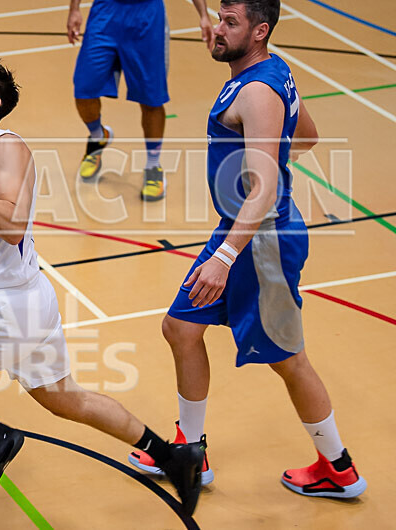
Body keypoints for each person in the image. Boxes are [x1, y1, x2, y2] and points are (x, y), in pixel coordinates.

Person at [0, 55, 205, 514]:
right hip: (27, 304)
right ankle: (173, 456)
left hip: (2, 311)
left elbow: (11, 222)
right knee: (67, 400)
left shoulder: (7, 148)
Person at [127, 0, 367, 499]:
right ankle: (190, 451)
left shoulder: (257, 90)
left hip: (261, 243)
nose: (217, 27)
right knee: (181, 328)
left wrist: (226, 254)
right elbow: (307, 135)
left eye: (230, 22)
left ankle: (338, 467)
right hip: (241, 230)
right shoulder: (271, 72)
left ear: (259, 31)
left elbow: (264, 186)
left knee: (289, 358)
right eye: (218, 16)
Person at [67, 0, 214, 200]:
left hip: (146, 16)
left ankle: (153, 166)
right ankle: (98, 136)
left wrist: (203, 14)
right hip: (105, 12)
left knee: (151, 99)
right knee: (84, 89)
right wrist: (74, 9)